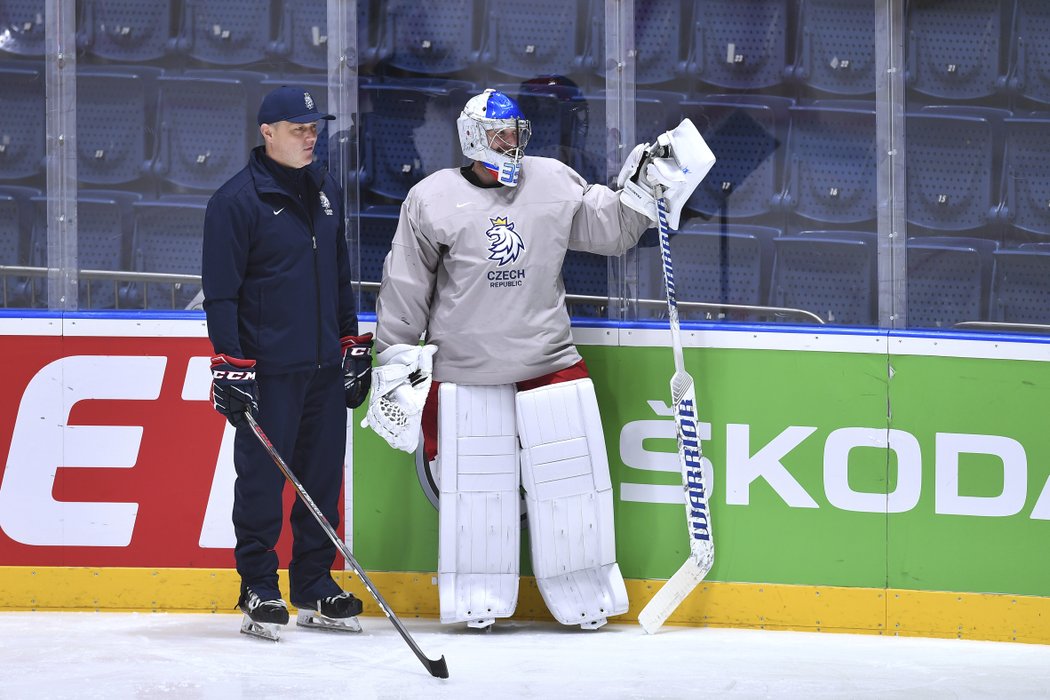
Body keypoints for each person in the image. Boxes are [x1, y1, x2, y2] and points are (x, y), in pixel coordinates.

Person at [362, 89, 714, 630]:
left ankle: (585, 593)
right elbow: (404, 287)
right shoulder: (429, 200)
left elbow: (612, 231)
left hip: (546, 359)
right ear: (473, 138)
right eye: (500, 135)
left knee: (572, 489)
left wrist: (644, 191)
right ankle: (477, 597)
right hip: (466, 370)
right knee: (478, 498)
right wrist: (393, 363)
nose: (511, 144)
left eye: (515, 133)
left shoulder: (552, 180)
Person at [202, 85, 373, 641]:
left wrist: (349, 342)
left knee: (321, 481)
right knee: (260, 482)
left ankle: (315, 583)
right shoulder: (235, 202)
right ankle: (257, 585)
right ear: (267, 133)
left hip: (324, 366)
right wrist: (228, 363)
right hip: (268, 372)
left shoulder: (326, 189)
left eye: (314, 127)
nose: (310, 137)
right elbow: (221, 295)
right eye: (299, 128)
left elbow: (340, 273)